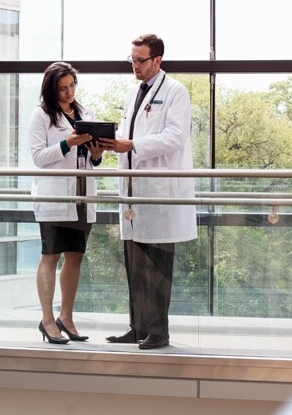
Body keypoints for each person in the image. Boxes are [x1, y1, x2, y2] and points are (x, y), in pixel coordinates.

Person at [96, 34, 197, 350]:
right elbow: (129, 135)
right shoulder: (133, 92)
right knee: (135, 263)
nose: (134, 66)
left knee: (156, 266)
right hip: (133, 189)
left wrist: (134, 145)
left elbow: (175, 137)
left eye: (140, 60)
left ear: (158, 60)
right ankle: (137, 327)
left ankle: (158, 332)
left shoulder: (175, 92)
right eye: (132, 60)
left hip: (159, 191)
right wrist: (112, 143)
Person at [29, 62, 103, 344]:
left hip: (82, 196)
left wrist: (96, 152)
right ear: (51, 89)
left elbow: (92, 161)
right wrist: (67, 144)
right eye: (62, 88)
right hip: (55, 196)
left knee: (75, 256)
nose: (68, 92)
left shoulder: (84, 114)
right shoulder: (42, 116)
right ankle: (47, 321)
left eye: (72, 85)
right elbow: (38, 157)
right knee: (51, 256)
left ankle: (66, 318)